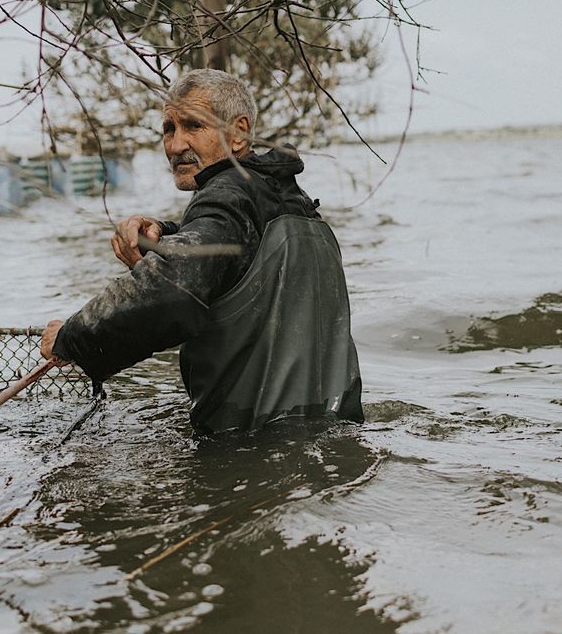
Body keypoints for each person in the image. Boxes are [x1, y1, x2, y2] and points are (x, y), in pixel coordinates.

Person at [40, 70, 364, 433]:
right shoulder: (292, 199)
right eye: (168, 129)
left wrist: (72, 338)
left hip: (253, 439)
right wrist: (167, 235)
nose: (176, 146)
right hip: (336, 426)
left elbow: (168, 294)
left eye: (193, 126)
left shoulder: (224, 196)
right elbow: (242, 258)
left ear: (238, 132)